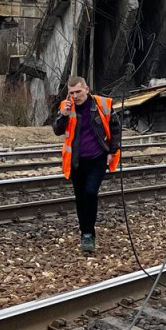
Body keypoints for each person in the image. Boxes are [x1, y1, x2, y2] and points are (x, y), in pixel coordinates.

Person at [52, 76, 121, 253]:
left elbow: (115, 128)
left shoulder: (102, 104)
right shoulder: (66, 107)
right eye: (72, 93)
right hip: (76, 161)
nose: (75, 96)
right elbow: (57, 130)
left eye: (78, 92)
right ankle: (85, 233)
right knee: (81, 198)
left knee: (90, 193)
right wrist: (64, 115)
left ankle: (89, 234)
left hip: (97, 159)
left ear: (87, 89)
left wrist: (112, 151)